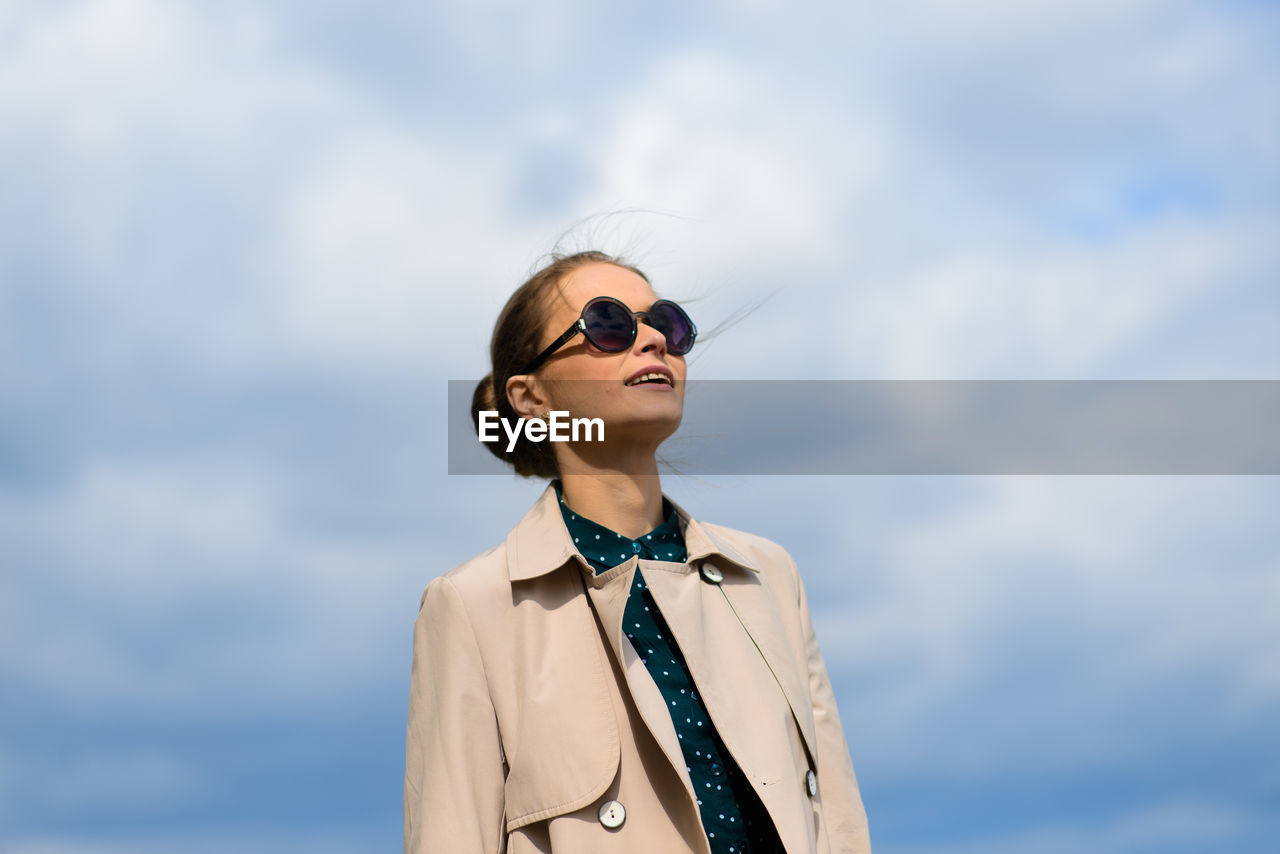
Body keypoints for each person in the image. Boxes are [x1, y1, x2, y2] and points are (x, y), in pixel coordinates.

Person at [405, 250, 872, 853]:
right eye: (608, 324)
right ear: (529, 398)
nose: (653, 340)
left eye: (667, 324)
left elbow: (839, 823)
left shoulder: (770, 576)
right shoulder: (472, 606)